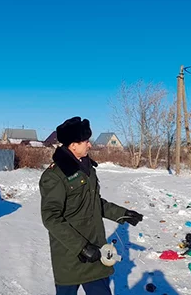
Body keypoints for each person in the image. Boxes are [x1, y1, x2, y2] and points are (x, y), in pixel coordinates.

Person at [40, 117, 143, 295]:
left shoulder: (87, 170)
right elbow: (51, 218)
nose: (89, 145)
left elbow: (93, 203)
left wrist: (122, 213)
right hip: (70, 255)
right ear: (73, 145)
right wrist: (81, 247)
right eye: (86, 141)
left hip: (95, 249)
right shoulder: (55, 176)